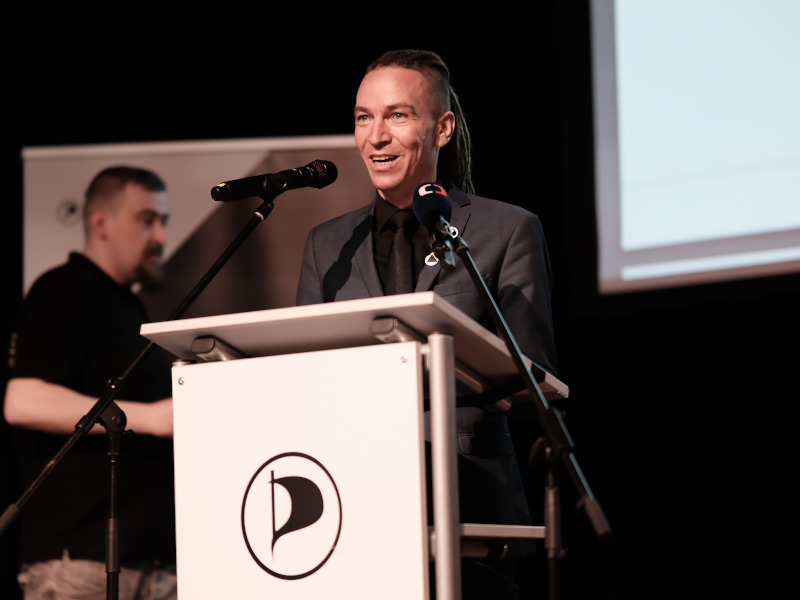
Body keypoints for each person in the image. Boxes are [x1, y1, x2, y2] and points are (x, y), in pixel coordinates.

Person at [296, 49, 558, 599]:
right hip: (354, 503)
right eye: (364, 117)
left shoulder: (506, 229)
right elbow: (304, 379)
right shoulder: (327, 245)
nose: (376, 136)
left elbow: (533, 377)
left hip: (469, 504)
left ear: (441, 129)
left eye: (397, 115)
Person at [3, 166, 178, 600]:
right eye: (147, 220)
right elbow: (24, 401)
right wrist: (153, 417)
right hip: (80, 568)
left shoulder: (128, 306)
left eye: (163, 222)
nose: (160, 236)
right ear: (100, 223)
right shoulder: (63, 290)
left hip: (150, 564)